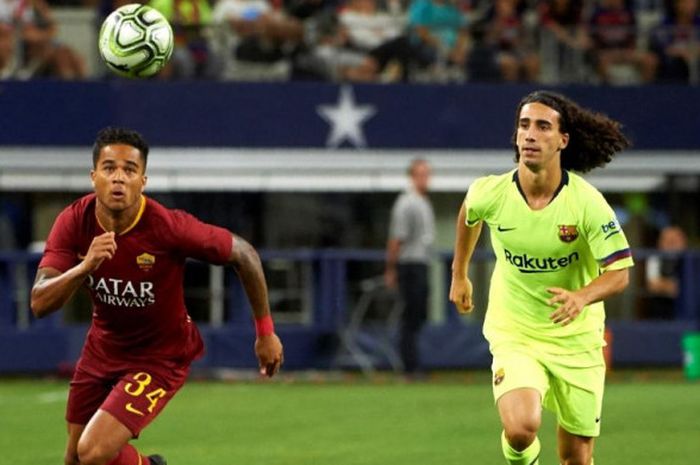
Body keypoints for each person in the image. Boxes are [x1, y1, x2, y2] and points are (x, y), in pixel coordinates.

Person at [30, 127, 283, 465]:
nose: (118, 178)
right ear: (94, 177)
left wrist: (265, 333)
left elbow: (245, 254)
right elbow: (39, 303)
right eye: (109, 168)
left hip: (159, 357)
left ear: (143, 181)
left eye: (129, 170)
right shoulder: (74, 222)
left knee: (92, 452)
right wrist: (84, 267)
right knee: (75, 460)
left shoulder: (168, 227)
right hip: (102, 349)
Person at [449, 91, 634, 465]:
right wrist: (459, 274)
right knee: (521, 428)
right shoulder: (493, 192)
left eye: (542, 126)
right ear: (516, 137)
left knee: (576, 458)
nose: (530, 134)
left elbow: (620, 273)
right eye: (524, 125)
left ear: (562, 140)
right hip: (516, 332)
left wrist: (581, 297)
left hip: (576, 341)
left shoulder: (586, 203)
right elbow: (470, 212)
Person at [385, 158, 435, 376]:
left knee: (418, 315)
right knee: (410, 316)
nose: (425, 179)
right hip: (410, 264)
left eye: (427, 174)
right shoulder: (406, 203)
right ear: (412, 176)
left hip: (421, 263)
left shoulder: (423, 202)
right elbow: (397, 239)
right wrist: (391, 268)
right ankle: (409, 366)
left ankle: (414, 362)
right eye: (421, 174)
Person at [644, 224, 688, 319]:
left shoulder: (691, 260)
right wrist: (676, 287)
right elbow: (653, 285)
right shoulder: (654, 258)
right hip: (661, 313)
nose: (671, 245)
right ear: (660, 242)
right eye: (668, 241)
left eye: (675, 241)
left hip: (687, 314)